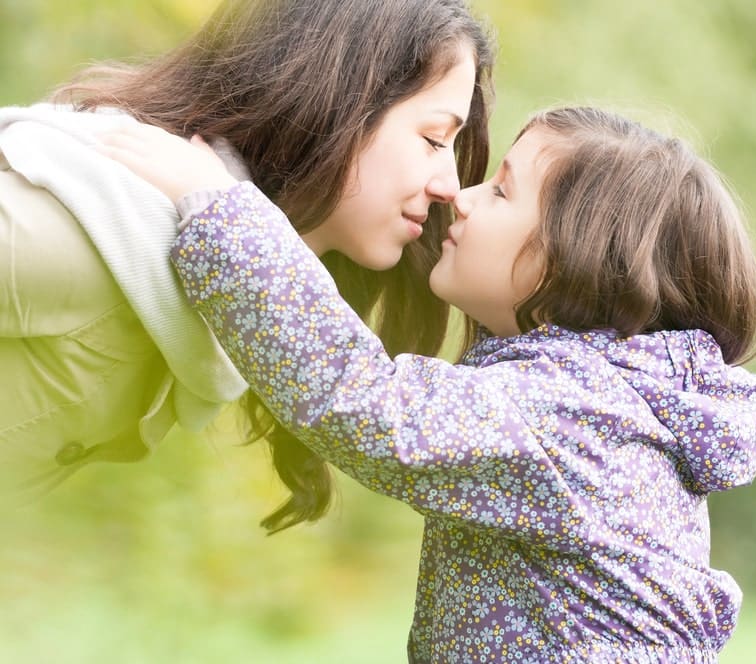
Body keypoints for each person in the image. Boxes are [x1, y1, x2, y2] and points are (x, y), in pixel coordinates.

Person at [103, 105, 756, 662]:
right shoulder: (604, 399)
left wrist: (217, 206)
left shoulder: (577, 418)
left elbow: (363, 402)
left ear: (577, 263)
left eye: (504, 190)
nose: (461, 194)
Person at [0, 0, 495, 525]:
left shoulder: (207, 289)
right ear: (333, 103)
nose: (450, 186)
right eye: (434, 139)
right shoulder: (99, 226)